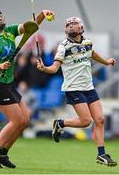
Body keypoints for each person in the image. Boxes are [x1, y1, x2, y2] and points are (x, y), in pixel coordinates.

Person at [37, 16, 117, 167]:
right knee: (86, 121)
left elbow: (92, 53)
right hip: (73, 89)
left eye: (74, 24)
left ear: (81, 28)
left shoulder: (87, 42)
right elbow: (54, 68)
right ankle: (60, 123)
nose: (71, 26)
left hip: (89, 87)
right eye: (69, 25)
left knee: (100, 119)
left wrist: (106, 62)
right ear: (65, 29)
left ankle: (101, 154)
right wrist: (44, 68)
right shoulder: (63, 47)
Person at [0, 7, 54, 168]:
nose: (0, 18)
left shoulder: (10, 31)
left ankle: (3, 153)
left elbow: (31, 26)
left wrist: (42, 14)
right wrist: (0, 65)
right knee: (16, 121)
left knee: (25, 120)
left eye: (0, 15)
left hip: (8, 84)